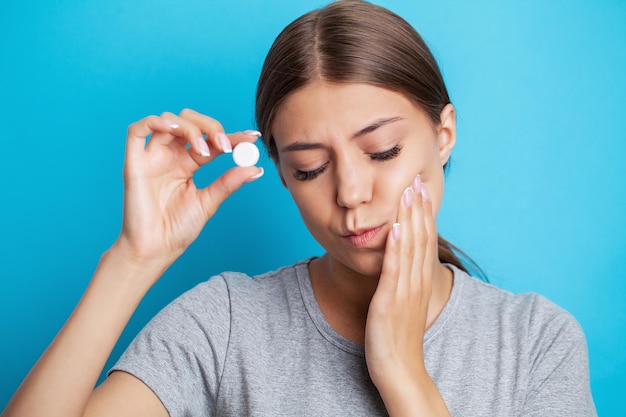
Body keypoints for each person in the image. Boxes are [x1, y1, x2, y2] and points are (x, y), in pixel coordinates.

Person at [1, 1, 596, 416]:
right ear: (282, 173)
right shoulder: (226, 325)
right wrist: (133, 259)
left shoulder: (537, 343)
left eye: (382, 151)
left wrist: (403, 373)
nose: (351, 193)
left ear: (444, 135)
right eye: (311, 167)